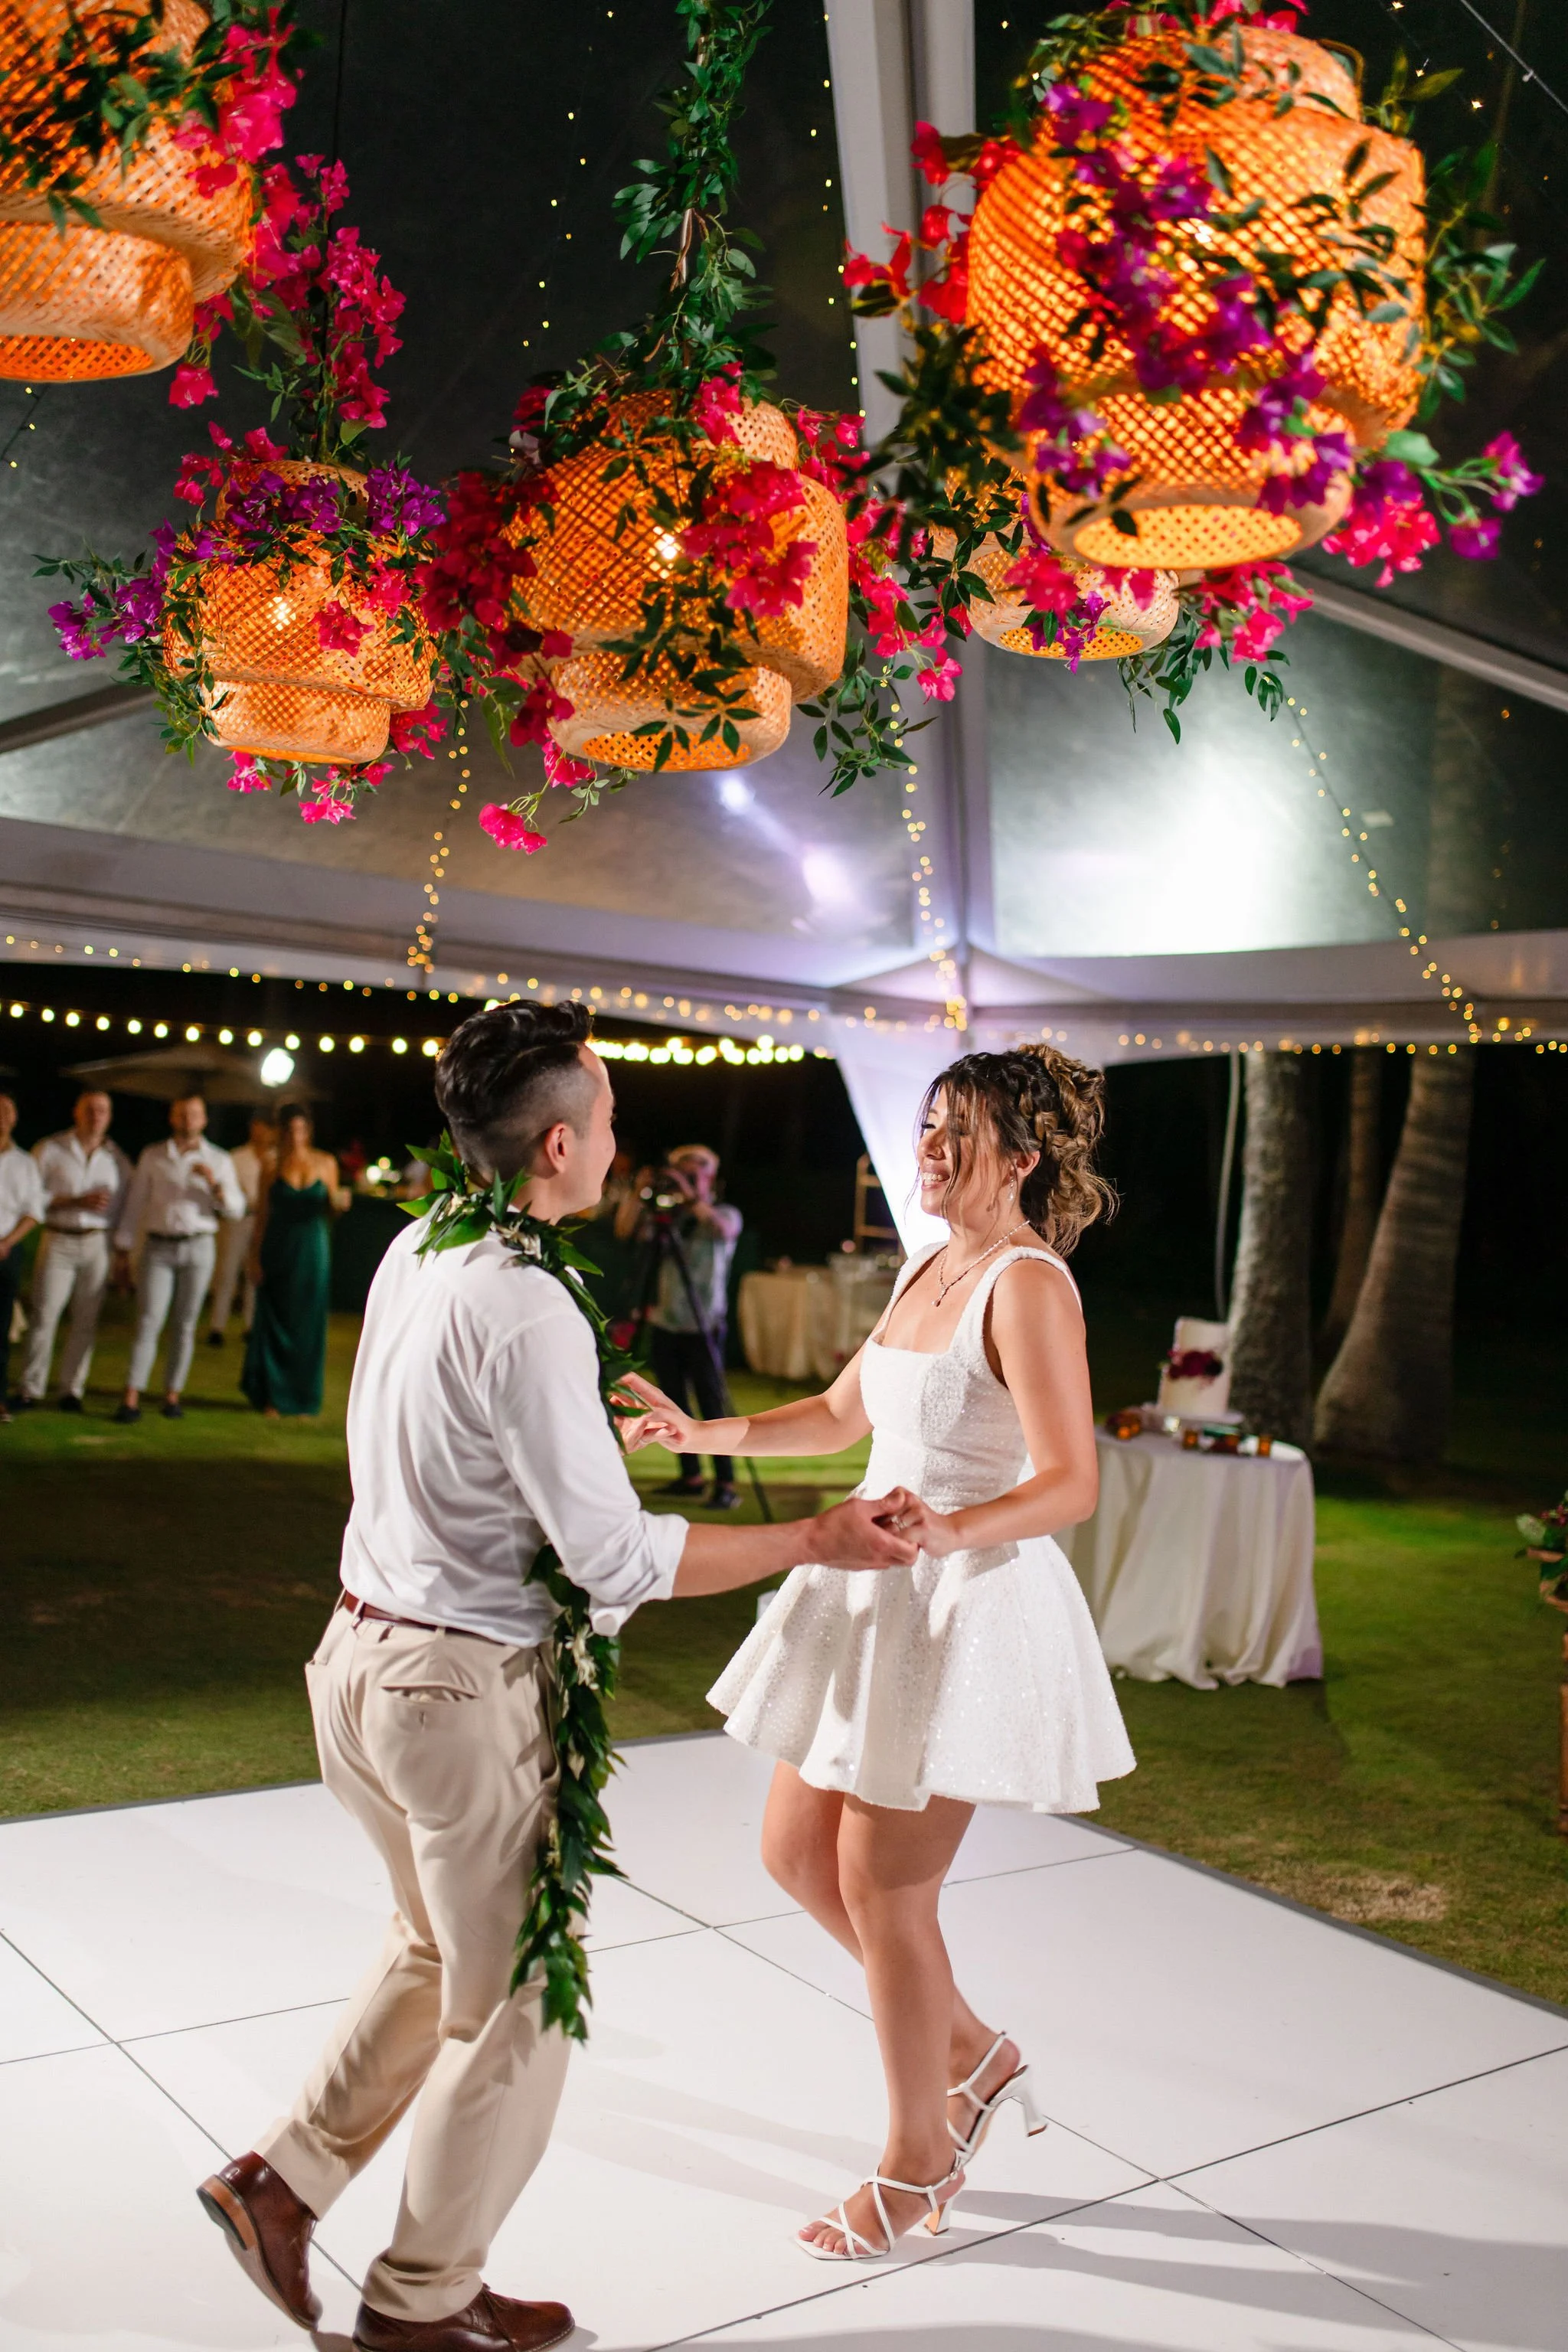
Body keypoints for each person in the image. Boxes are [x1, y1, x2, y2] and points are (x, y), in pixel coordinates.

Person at [195, 1001, 918, 2352]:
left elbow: (484, 1469)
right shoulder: (527, 1302)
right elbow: (608, 1557)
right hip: (454, 1696)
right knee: (520, 1994)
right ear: (563, 1142)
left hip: (357, 1663)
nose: (620, 1144)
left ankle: (277, 2185)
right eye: (612, 1116)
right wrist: (815, 1536)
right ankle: (419, 2306)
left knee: (432, 1951)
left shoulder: (426, 1241)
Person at [623, 1044, 1137, 2262]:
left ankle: (920, 2160)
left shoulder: (1029, 1286)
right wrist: (709, 1425)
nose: (933, 1146)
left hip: (964, 1605)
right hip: (872, 1588)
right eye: (930, 1122)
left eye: (962, 1131)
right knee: (794, 1848)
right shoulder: (926, 1266)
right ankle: (974, 2052)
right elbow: (846, 1414)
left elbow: (1072, 1482)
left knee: (883, 1886)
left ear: (1022, 1159)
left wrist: (957, 1525)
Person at [615, 1140, 743, 1508]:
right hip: (665, 1323)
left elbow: (724, 1231)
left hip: (704, 1325)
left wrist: (689, 1196)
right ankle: (690, 1477)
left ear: (710, 1177)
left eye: (694, 1172)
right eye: (681, 1172)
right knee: (671, 1405)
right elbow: (625, 1231)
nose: (685, 1180)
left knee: (711, 1407)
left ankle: (727, 1486)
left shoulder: (724, 1213)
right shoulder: (667, 1217)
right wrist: (641, 1193)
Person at [114, 1094, 246, 1424]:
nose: (188, 1120)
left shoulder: (218, 1159)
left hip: (198, 1246)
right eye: (182, 1114)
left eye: (195, 1114)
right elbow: (135, 1204)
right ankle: (132, 1394)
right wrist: (124, 1246)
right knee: (149, 1320)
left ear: (204, 1120)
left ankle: (172, 1393)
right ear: (173, 1118)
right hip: (159, 1246)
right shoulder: (154, 1155)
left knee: (185, 1324)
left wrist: (214, 1185)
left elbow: (236, 1209)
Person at [17, 1089, 131, 1412]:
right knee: (45, 1315)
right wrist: (75, 1201)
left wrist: (122, 1252)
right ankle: (30, 1387)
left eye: (103, 1110)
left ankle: (71, 1389)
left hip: (97, 1242)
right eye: (90, 1109)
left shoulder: (117, 1159)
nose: (97, 1116)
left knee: (86, 1319)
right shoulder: (50, 1150)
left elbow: (125, 1207)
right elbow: (32, 1197)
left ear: (110, 1117)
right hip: (58, 1237)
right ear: (76, 1113)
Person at [241, 1106, 348, 1419]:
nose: (296, 1136)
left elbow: (332, 1208)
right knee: (276, 1320)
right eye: (290, 1130)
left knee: (308, 1324)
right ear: (281, 1132)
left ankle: (304, 1397)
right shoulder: (271, 1165)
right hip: (280, 1247)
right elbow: (262, 1215)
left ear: (309, 1131)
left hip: (313, 1249)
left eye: (301, 1129)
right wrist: (255, 1255)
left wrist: (339, 1203)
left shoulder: (326, 1163)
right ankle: (274, 1395)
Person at [206, 1113, 276, 1344]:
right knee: (227, 1271)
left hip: (263, 1221)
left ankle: (250, 1325)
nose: (261, 1132)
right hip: (239, 1219)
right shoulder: (236, 1157)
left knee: (254, 1274)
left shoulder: (275, 1158)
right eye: (257, 1127)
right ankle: (218, 1325)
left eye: (266, 1128)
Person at [0, 1092, 44, 1423]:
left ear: (14, 1119)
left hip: (6, 1251)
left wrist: (7, 1243)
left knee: (2, 1329)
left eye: (6, 1111)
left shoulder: (25, 1162)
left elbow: (33, 1211)